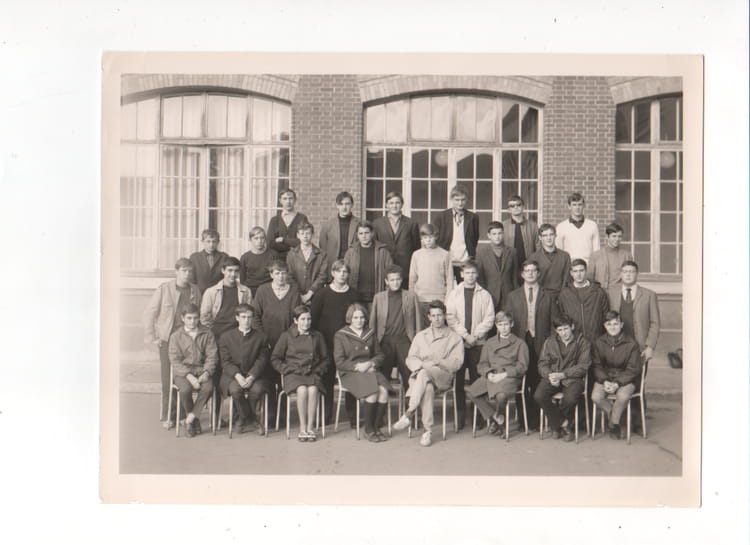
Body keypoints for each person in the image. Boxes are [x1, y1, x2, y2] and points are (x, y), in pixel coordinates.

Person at [393, 301, 464, 447]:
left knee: (424, 374)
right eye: (433, 316)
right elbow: (410, 358)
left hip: (443, 376)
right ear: (429, 317)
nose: (437, 319)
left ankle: (409, 412)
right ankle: (427, 431)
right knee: (428, 387)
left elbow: (457, 363)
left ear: (444, 316)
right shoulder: (420, 336)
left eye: (440, 315)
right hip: (423, 376)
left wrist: (437, 362)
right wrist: (422, 365)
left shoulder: (454, 337)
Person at [143, 258, 201, 427]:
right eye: (184, 271)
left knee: (183, 377)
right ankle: (168, 416)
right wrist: (152, 336)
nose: (187, 274)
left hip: (188, 339)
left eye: (190, 271)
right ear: (176, 271)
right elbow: (150, 313)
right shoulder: (164, 289)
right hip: (168, 339)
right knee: (168, 379)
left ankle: (182, 414)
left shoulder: (195, 290)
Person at [505, 259, 558, 430]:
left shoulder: (548, 295)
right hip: (520, 342)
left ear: (538, 274)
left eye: (534, 270)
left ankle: (538, 420)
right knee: (521, 381)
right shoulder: (513, 296)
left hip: (541, 342)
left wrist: (550, 344)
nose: (530, 273)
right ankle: (524, 420)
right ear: (522, 274)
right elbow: (507, 322)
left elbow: (554, 323)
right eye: (527, 271)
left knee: (537, 380)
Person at [445, 260, 495, 429]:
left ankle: (478, 418)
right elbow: (451, 318)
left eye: (473, 273)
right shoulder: (454, 294)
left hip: (478, 344)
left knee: (477, 381)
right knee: (458, 382)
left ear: (477, 274)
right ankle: (459, 418)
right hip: (459, 344)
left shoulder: (485, 295)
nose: (470, 276)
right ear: (461, 274)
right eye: (467, 273)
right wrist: (466, 336)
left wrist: (476, 335)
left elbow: (489, 318)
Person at [310, 260, 362, 423]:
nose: (342, 274)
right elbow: (313, 321)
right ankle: (325, 417)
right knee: (326, 380)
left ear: (348, 275)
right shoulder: (322, 294)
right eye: (338, 271)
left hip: (348, 346)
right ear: (332, 273)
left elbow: (358, 320)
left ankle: (353, 417)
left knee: (351, 378)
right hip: (327, 344)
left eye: (345, 272)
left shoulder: (354, 295)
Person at [271, 305, 330, 442]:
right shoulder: (286, 336)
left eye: (309, 319)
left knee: (313, 390)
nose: (306, 323)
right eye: (302, 319)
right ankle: (302, 428)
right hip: (293, 373)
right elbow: (275, 358)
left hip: (312, 372)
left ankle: (310, 428)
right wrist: (287, 370)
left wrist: (318, 370)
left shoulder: (317, 336)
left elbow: (326, 359)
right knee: (302, 390)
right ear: (295, 320)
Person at [333, 303, 391, 442]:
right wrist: (358, 367)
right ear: (350, 318)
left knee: (384, 391)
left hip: (370, 369)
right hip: (350, 372)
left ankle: (376, 427)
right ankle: (369, 430)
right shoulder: (341, 335)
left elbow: (380, 355)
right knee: (372, 391)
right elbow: (339, 361)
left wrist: (370, 363)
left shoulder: (370, 333)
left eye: (362, 317)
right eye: (355, 318)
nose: (359, 321)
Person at [467, 310, 529, 436]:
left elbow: (523, 366)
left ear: (511, 324)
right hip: (492, 375)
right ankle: (497, 417)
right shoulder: (489, 342)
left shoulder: (520, 343)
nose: (503, 328)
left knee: (501, 396)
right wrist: (489, 374)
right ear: (496, 326)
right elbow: (482, 364)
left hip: (509, 377)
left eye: (506, 324)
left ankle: (499, 422)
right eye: (500, 325)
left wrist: (504, 374)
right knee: (472, 392)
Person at [534, 314, 591, 442]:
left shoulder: (583, 342)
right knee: (539, 396)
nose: (563, 333)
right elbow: (542, 363)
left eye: (566, 328)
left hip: (573, 379)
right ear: (556, 330)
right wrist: (550, 375)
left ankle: (556, 426)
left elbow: (583, 366)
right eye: (560, 330)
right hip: (553, 377)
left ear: (572, 327)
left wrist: (563, 375)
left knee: (570, 400)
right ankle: (564, 424)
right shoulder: (550, 342)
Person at [218, 304, 272, 435]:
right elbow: (226, 361)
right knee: (236, 390)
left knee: (257, 390)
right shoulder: (226, 337)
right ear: (237, 318)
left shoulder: (261, 337)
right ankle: (252, 419)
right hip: (232, 376)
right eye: (243, 317)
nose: (247, 320)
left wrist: (252, 376)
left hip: (256, 375)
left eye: (249, 317)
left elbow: (262, 360)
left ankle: (242, 419)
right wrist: (237, 376)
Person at [590, 311, 642, 440]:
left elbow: (633, 369)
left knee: (623, 396)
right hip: (605, 378)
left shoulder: (632, 344)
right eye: (609, 324)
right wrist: (605, 381)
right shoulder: (598, 342)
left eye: (616, 324)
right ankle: (616, 417)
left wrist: (617, 383)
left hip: (626, 379)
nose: (612, 327)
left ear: (621, 324)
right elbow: (596, 365)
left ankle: (614, 424)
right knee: (596, 397)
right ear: (604, 326)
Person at [168, 304, 218, 438]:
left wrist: (206, 372)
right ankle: (194, 420)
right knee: (185, 390)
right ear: (182, 318)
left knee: (208, 388)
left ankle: (190, 419)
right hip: (183, 372)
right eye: (189, 318)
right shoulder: (176, 336)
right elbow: (175, 360)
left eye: (195, 318)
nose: (192, 321)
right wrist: (189, 376)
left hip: (201, 370)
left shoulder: (207, 333)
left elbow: (212, 356)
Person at [369, 265, 423, 388]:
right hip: (385, 340)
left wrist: (418, 342)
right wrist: (373, 343)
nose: (395, 282)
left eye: (398, 279)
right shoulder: (379, 297)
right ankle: (383, 400)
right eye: (392, 280)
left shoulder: (411, 296)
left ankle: (409, 400)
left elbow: (418, 321)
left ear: (402, 279)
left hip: (405, 340)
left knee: (408, 375)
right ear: (386, 281)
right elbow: (373, 323)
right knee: (382, 376)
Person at [606, 260, 661, 365]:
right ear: (621, 274)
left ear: (637, 274)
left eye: (631, 272)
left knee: (638, 375)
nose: (628, 275)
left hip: (640, 347)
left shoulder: (649, 295)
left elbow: (655, 323)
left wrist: (650, 347)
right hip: (616, 346)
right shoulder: (610, 293)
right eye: (625, 272)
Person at [372, 191, 420, 287]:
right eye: (391, 203)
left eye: (397, 203)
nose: (394, 206)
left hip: (405, 270)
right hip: (384, 268)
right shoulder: (377, 224)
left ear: (402, 204)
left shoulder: (411, 223)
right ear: (386, 205)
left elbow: (416, 248)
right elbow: (374, 247)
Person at [409, 223, 455, 323]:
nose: (428, 240)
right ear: (421, 239)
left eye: (431, 237)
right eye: (425, 237)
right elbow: (412, 279)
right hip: (421, 300)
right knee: (422, 328)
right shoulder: (416, 255)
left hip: (439, 299)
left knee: (438, 326)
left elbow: (450, 279)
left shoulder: (445, 254)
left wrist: (447, 299)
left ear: (436, 237)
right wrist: (413, 298)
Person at [343, 220, 393, 310]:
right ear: (357, 235)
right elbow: (344, 274)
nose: (364, 236)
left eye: (366, 233)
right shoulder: (351, 252)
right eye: (361, 233)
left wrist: (387, 293)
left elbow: (390, 274)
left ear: (372, 233)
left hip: (376, 296)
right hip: (356, 297)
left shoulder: (383, 251)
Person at [433, 186, 480, 283]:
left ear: (466, 200)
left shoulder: (473, 217)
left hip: (465, 261)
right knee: (445, 287)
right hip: (447, 261)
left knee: (464, 288)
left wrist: (470, 257)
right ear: (451, 199)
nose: (460, 203)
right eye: (457, 200)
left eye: (463, 200)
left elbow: (474, 239)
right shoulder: (441, 217)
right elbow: (436, 239)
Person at [200, 256, 253, 340]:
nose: (233, 274)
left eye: (236, 271)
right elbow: (205, 317)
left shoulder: (246, 291)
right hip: (217, 333)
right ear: (223, 270)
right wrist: (211, 334)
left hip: (238, 333)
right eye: (230, 270)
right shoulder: (211, 292)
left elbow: (249, 314)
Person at [557, 259, 610, 343]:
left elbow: (606, 316)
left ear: (586, 271)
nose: (578, 274)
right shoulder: (565, 294)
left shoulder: (598, 292)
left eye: (581, 270)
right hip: (574, 341)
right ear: (571, 273)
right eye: (575, 271)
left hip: (596, 339)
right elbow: (561, 318)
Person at [475, 221, 518, 310]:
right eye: (494, 234)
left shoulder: (512, 252)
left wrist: (515, 295)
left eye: (499, 233)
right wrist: (484, 296)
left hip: (508, 295)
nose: (497, 236)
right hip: (490, 295)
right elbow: (480, 279)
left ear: (503, 234)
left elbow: (515, 277)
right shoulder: (481, 253)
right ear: (489, 235)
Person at [318, 191, 360, 279]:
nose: (344, 207)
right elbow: (323, 249)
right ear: (337, 205)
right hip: (334, 268)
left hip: (353, 267)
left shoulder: (359, 224)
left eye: (347, 204)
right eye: (341, 204)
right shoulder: (327, 225)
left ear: (352, 205)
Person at [286, 221, 327, 305]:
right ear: (298, 235)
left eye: (308, 233)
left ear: (312, 235)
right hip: (296, 295)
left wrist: (310, 293)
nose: (305, 236)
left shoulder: (321, 254)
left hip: (315, 295)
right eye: (302, 233)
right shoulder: (291, 254)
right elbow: (289, 276)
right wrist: (299, 294)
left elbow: (323, 276)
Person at [555, 191, 600, 263]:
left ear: (584, 206)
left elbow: (597, 251)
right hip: (569, 265)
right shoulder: (561, 227)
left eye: (580, 204)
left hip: (588, 264)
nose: (577, 208)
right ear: (569, 206)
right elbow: (559, 251)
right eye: (574, 205)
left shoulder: (592, 225)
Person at [267, 188, 309, 261]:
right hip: (278, 260)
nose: (288, 201)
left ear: (295, 200)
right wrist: (291, 245)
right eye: (285, 199)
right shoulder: (274, 220)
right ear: (280, 201)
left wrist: (283, 240)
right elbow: (270, 243)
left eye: (290, 198)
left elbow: (303, 241)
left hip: (297, 259)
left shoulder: (302, 218)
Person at [587, 222, 633, 289]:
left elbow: (630, 278)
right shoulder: (595, 255)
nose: (617, 239)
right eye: (614, 236)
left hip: (619, 292)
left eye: (619, 236)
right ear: (607, 237)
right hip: (600, 292)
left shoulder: (627, 256)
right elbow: (589, 278)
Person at [529, 223, 571, 296]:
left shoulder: (565, 256)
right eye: (545, 235)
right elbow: (532, 281)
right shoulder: (534, 257)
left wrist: (562, 297)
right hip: (541, 296)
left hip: (560, 296)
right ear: (540, 237)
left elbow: (566, 280)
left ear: (555, 235)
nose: (549, 238)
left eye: (551, 234)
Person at [502, 195, 538, 278]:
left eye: (518, 205)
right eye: (512, 206)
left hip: (528, 266)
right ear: (508, 210)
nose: (516, 207)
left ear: (523, 207)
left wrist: (534, 262)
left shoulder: (533, 226)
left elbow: (538, 246)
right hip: (509, 267)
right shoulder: (503, 226)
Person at [189, 228, 229, 293]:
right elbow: (192, 279)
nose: (211, 245)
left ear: (218, 242)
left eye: (214, 241)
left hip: (219, 293)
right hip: (200, 293)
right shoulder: (194, 257)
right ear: (202, 241)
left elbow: (227, 277)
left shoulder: (224, 257)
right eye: (208, 241)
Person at [239, 226, 278, 291]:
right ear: (250, 240)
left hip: (269, 289)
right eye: (256, 238)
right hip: (251, 290)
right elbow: (242, 280)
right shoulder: (245, 258)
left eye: (262, 238)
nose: (259, 241)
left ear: (265, 239)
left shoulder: (273, 255)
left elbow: (277, 275)